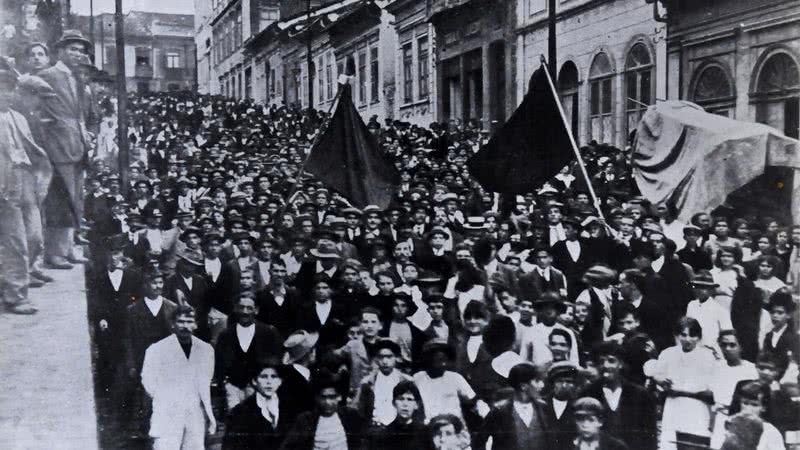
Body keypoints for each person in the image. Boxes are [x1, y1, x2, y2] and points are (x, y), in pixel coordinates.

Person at [36, 30, 95, 269]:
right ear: (60, 51)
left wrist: (86, 135)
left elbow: (81, 113)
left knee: (76, 200)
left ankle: (69, 248)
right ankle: (55, 253)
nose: (77, 54)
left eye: (81, 50)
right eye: (73, 49)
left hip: (78, 145)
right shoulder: (48, 75)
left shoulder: (75, 78)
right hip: (58, 146)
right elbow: (36, 108)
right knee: (60, 200)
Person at [0, 66, 52, 314]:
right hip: (4, 183)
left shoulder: (19, 118)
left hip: (26, 179)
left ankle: (14, 281)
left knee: (34, 236)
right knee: (15, 240)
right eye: (1, 88)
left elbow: (32, 151)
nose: (5, 94)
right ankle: (16, 295)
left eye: (9, 89)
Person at [141, 304, 216, 450]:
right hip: (167, 410)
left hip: (194, 411)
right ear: (173, 324)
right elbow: (147, 378)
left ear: (195, 324)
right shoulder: (157, 349)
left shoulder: (206, 350)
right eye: (181, 322)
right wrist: (164, 396)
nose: (185, 326)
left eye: (189, 322)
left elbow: (206, 379)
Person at [646, 317, 717, 450]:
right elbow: (657, 375)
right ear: (677, 335)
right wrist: (660, 381)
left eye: (692, 335)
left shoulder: (707, 356)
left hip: (697, 407)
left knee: (694, 444)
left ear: (699, 337)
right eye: (683, 335)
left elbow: (711, 386)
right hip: (674, 406)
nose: (688, 339)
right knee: (671, 444)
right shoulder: (668, 354)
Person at [580, 341, 658, 449]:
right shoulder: (588, 393)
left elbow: (650, 436)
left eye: (611, 361)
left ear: (620, 364)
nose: (605, 365)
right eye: (601, 361)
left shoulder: (640, 394)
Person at [215, 294, 284, 410]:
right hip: (233, 388)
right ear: (235, 309)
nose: (245, 312)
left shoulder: (268, 333)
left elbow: (276, 361)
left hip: (259, 388)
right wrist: (226, 384)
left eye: (249, 308)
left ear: (256, 310)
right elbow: (219, 362)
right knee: (235, 420)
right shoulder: (225, 335)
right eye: (241, 307)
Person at [222, 358, 300, 449]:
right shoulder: (240, 411)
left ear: (280, 381)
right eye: (263, 376)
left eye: (274, 377)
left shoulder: (290, 408)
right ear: (254, 381)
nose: (269, 382)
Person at [280, 371, 365, 450]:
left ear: (339, 397)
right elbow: (287, 446)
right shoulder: (305, 420)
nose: (327, 402)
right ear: (316, 398)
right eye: (323, 397)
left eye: (332, 397)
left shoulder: (350, 416)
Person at [474, 362, 550, 450]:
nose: (542, 385)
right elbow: (479, 441)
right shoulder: (500, 410)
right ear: (523, 386)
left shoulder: (543, 408)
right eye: (537, 381)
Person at [371, 380, 428, 450]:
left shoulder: (424, 433)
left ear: (416, 405)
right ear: (394, 403)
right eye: (401, 399)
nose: (405, 404)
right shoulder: (385, 434)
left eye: (409, 399)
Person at [564, 397, 629, 450]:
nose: (585, 425)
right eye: (580, 420)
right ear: (575, 421)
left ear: (600, 422)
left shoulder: (616, 447)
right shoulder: (566, 446)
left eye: (591, 420)